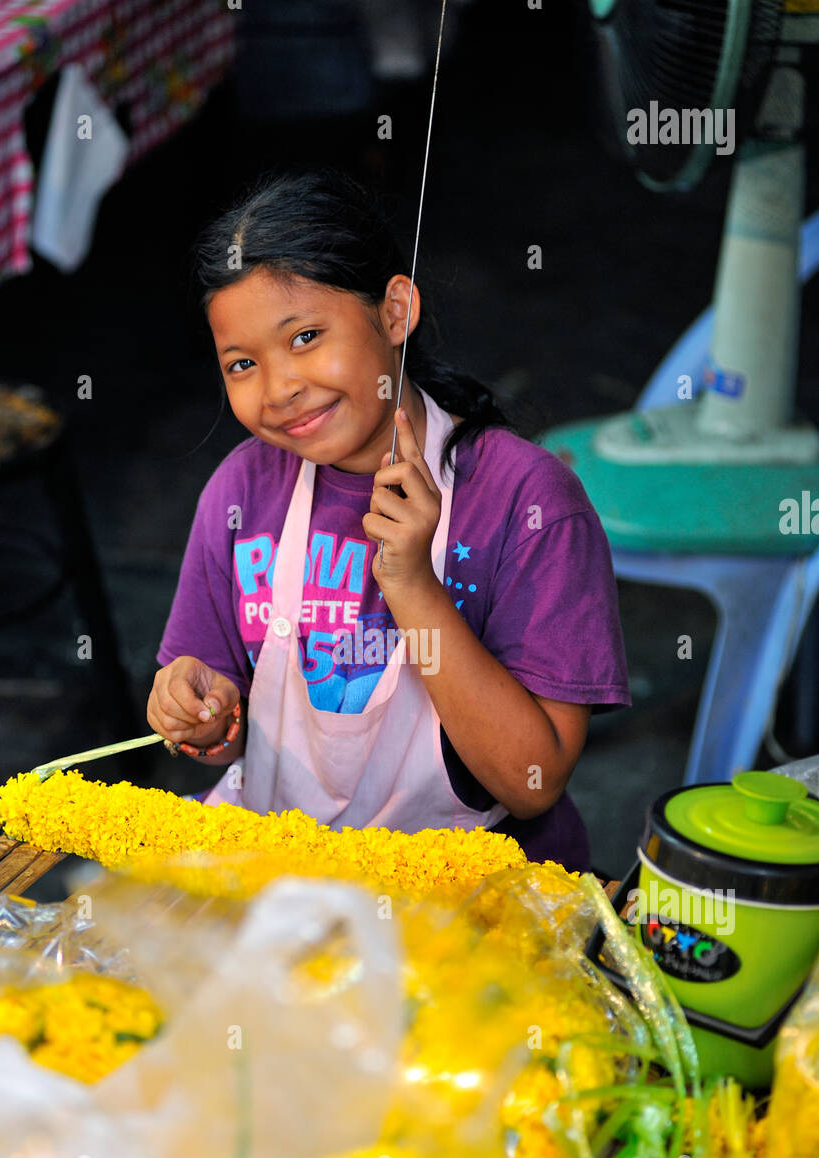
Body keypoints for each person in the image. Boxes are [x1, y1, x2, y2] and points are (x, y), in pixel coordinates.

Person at [148, 167, 630, 871]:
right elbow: (227, 737)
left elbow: (534, 782)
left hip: (475, 905)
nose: (280, 388)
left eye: (307, 336)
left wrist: (411, 584)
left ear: (395, 310)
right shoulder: (242, 490)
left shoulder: (529, 503)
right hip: (290, 887)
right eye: (243, 362)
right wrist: (203, 714)